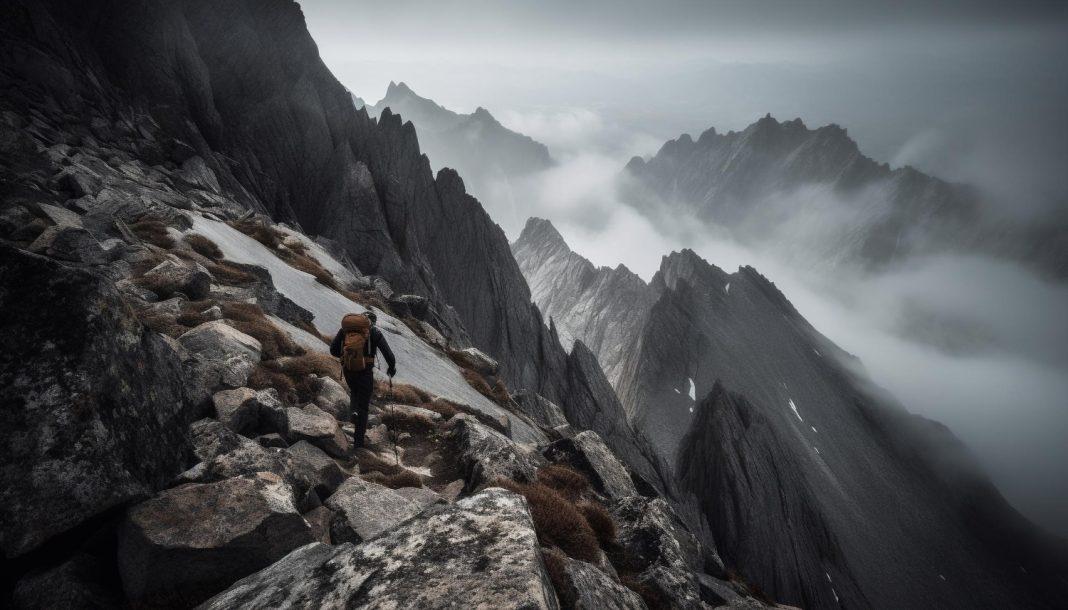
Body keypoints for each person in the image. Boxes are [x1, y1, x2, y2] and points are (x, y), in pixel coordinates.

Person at [329, 311, 396, 449]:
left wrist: (347, 356)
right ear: (373, 322)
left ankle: (353, 412)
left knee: (354, 391)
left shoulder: (345, 330)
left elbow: (333, 350)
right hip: (365, 372)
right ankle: (358, 444)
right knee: (364, 407)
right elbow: (389, 355)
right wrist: (391, 368)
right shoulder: (374, 332)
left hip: (348, 370)